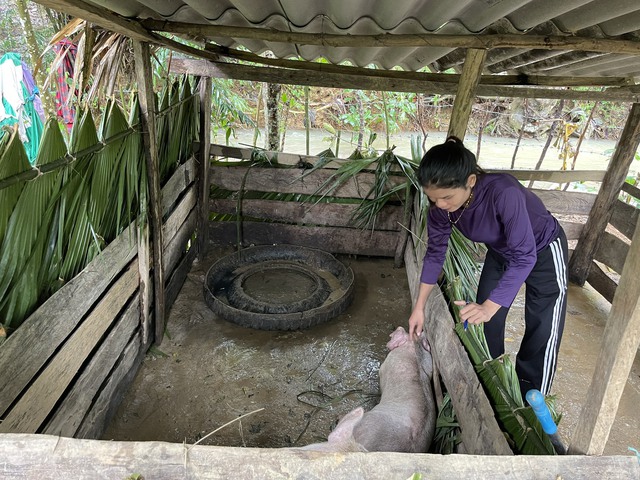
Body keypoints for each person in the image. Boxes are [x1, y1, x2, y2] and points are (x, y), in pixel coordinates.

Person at [408, 135, 568, 397]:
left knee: (542, 325)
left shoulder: (503, 192)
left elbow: (525, 256)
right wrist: (419, 307)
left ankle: (531, 394)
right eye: (433, 198)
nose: (440, 205)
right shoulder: (439, 210)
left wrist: (490, 305)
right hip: (501, 252)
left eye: (447, 197)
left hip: (542, 250)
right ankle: (493, 379)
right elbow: (435, 254)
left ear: (470, 181)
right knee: (483, 321)